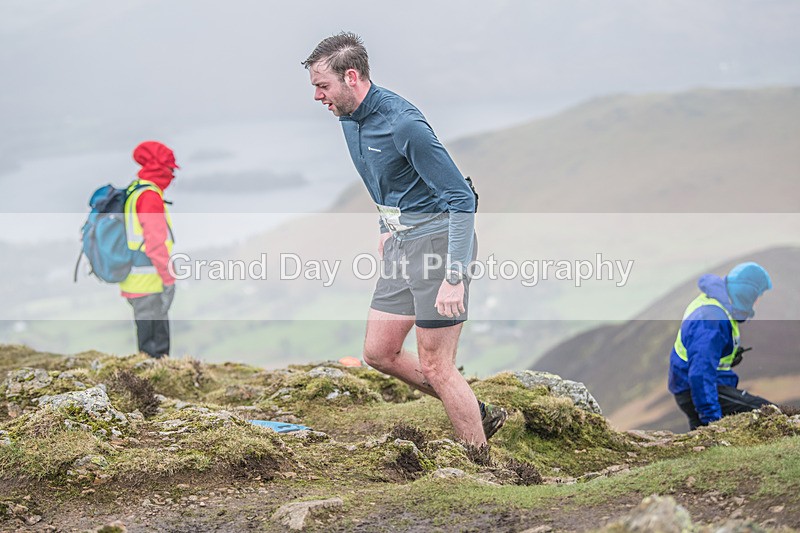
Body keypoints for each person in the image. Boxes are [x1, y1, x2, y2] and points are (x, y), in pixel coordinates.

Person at [303, 32, 506, 446]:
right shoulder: (349, 119)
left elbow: (461, 198)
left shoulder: (403, 123)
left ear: (352, 77)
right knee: (379, 352)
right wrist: (385, 229)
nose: (318, 97)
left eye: (322, 87)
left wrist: (454, 274)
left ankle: (483, 466)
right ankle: (474, 409)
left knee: (437, 367)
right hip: (401, 246)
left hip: (437, 246)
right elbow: (383, 183)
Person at [668, 262, 775, 430]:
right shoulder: (712, 319)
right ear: (746, 294)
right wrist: (714, 423)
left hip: (694, 389)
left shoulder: (719, 305)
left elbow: (703, 355)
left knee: (702, 444)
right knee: (769, 414)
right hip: (697, 390)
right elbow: (700, 374)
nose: (756, 303)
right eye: (756, 297)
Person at [120, 141, 178, 359]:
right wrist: (169, 278)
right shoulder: (150, 196)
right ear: (162, 168)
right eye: (171, 169)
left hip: (136, 279)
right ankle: (152, 387)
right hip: (149, 281)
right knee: (155, 348)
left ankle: (148, 384)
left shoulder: (136, 189)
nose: (173, 175)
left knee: (148, 342)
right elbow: (155, 244)